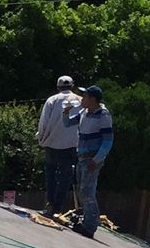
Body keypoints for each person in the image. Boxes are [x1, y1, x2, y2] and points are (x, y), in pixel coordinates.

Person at [62, 85, 114, 238]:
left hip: (92, 158)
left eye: (85, 96)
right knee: (81, 190)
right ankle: (85, 220)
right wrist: (65, 113)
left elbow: (108, 141)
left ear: (93, 99)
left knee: (88, 192)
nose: (82, 99)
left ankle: (90, 226)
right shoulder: (84, 112)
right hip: (82, 157)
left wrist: (98, 159)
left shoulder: (103, 115)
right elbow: (68, 123)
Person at [36, 74, 82, 213]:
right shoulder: (80, 100)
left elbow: (43, 122)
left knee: (50, 174)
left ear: (58, 87)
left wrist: (40, 138)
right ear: (72, 86)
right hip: (71, 144)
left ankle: (50, 203)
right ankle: (58, 207)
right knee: (65, 177)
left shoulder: (52, 100)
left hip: (52, 143)